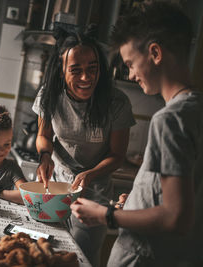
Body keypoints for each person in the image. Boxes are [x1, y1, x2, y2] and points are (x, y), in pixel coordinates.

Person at [70, 2, 203, 266]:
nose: (130, 75)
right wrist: (135, 204)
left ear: (155, 52)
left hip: (143, 257)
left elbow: (176, 217)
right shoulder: (195, 110)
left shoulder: (170, 119)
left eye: (130, 63)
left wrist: (105, 215)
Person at [32, 23, 135, 266]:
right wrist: (45, 157)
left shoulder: (116, 102)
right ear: (61, 70)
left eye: (93, 68)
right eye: (75, 70)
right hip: (54, 185)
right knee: (44, 253)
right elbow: (43, 135)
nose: (86, 77)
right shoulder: (49, 95)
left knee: (81, 258)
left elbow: (117, 155)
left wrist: (90, 174)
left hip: (94, 193)